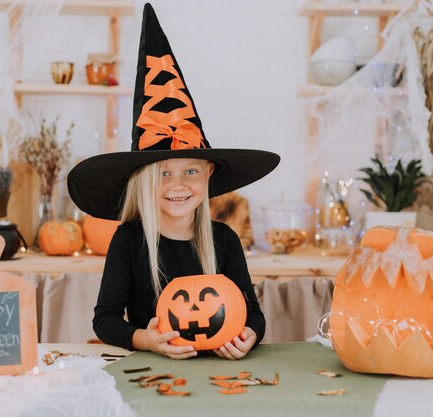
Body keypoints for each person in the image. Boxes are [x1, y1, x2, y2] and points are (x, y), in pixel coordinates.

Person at [67, 4, 280, 360]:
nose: (177, 184)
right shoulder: (129, 240)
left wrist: (249, 336)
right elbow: (104, 319)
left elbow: (252, 314)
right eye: (163, 172)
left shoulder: (223, 240)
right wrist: (143, 339)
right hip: (153, 373)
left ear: (208, 173)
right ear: (143, 182)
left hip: (219, 373)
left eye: (190, 171)